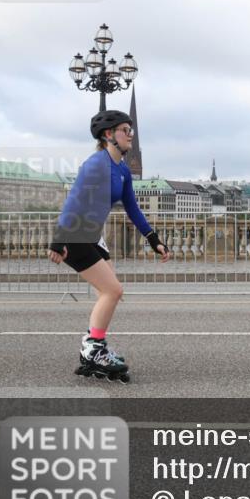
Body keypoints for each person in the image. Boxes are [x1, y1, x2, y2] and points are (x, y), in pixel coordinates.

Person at [49, 109, 171, 382]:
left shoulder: (122, 170)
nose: (131, 135)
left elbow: (132, 208)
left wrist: (153, 239)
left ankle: (95, 345)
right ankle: (93, 348)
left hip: (93, 237)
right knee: (112, 290)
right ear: (108, 135)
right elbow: (74, 201)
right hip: (76, 235)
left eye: (131, 130)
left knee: (110, 292)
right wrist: (58, 239)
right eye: (125, 130)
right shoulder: (96, 165)